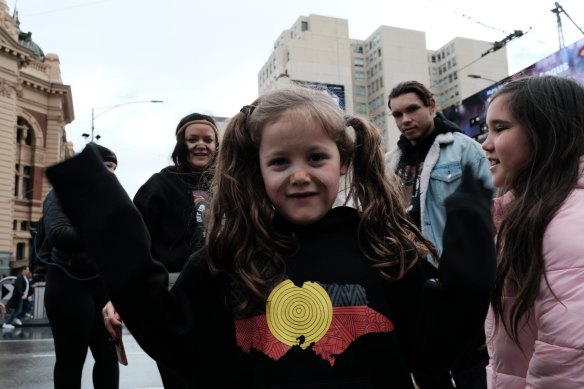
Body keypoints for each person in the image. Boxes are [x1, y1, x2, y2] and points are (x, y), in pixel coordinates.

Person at [46, 86, 495, 388]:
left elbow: (439, 343)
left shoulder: (381, 249)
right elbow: (171, 338)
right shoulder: (226, 259)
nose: (300, 175)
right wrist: (100, 207)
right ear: (256, 170)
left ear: (342, 163)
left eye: (316, 157)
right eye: (280, 162)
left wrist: (473, 247)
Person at [386, 80, 493, 388]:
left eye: (412, 110)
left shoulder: (465, 148)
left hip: (456, 273)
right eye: (396, 115)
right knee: (424, 361)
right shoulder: (390, 161)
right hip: (411, 278)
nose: (404, 120)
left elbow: (490, 213)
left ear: (431, 105)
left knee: (468, 361)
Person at [482, 75, 584, 388]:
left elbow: (567, 359)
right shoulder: (529, 214)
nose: (485, 144)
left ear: (546, 133)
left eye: (500, 129)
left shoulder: (568, 224)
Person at [120, 112, 219, 388]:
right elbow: (133, 244)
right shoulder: (158, 185)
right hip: (174, 294)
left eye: (208, 139)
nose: (202, 145)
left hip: (222, 292)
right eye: (193, 139)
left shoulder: (228, 184)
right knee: (179, 376)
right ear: (180, 144)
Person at [43, 143, 120, 389]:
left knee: (109, 357)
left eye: (114, 168)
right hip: (67, 283)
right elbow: (58, 233)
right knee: (71, 360)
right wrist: (105, 229)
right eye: (106, 166)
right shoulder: (60, 193)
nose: (111, 173)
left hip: (101, 285)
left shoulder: (110, 197)